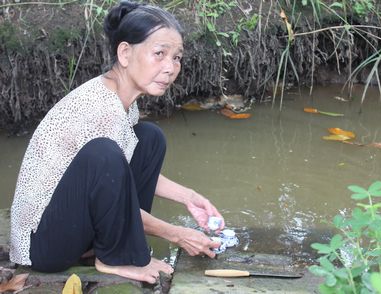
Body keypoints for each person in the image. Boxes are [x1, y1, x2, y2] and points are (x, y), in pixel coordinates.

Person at [9, 0, 224, 284]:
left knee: (149, 139)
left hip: (71, 222)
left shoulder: (122, 101)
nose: (171, 67)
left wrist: (189, 197)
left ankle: (107, 245)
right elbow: (108, 171)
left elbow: (115, 177)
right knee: (105, 153)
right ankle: (115, 256)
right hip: (42, 247)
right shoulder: (102, 110)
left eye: (177, 57)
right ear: (125, 53)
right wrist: (178, 234)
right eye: (159, 54)